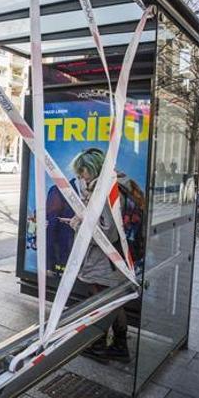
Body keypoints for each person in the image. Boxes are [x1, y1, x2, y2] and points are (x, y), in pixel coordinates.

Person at [60, 148, 130, 363]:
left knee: (101, 303)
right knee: (113, 303)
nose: (81, 178)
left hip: (104, 260)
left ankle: (98, 346)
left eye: (83, 173)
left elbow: (106, 232)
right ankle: (120, 346)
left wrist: (77, 225)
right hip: (112, 259)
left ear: (93, 169)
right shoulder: (111, 185)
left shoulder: (104, 191)